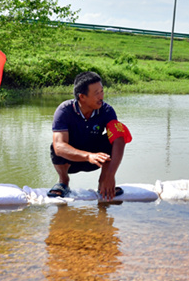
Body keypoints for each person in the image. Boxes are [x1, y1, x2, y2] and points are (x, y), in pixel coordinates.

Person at [48, 71, 131, 200]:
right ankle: (63, 182)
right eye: (97, 93)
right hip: (72, 160)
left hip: (96, 158)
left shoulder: (107, 110)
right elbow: (59, 146)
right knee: (55, 146)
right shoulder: (64, 110)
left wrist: (110, 175)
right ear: (82, 97)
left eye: (102, 91)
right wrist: (88, 156)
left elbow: (119, 140)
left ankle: (104, 183)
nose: (101, 96)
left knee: (113, 140)